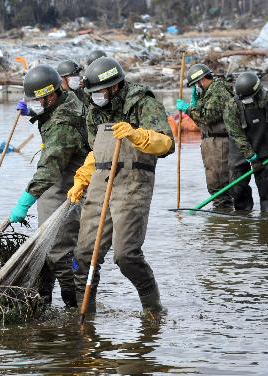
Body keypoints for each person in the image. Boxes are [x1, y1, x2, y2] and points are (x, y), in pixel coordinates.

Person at [68, 57, 174, 313]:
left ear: (114, 86)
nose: (95, 97)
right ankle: (86, 315)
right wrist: (82, 179)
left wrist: (138, 135)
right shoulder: (95, 111)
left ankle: (153, 310)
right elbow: (96, 152)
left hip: (133, 182)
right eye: (91, 93)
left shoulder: (142, 103)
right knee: (84, 255)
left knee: (125, 255)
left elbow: (167, 144)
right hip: (100, 182)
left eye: (99, 92)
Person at [8, 65, 91, 308]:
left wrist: (25, 201)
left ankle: (75, 304)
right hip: (59, 183)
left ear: (51, 95)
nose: (33, 104)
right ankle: (43, 300)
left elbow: (48, 169)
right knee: (46, 250)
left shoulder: (62, 123)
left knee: (58, 250)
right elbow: (50, 115)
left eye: (36, 100)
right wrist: (34, 113)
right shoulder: (63, 101)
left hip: (70, 187)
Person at [176, 63, 233, 209]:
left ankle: (223, 214)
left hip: (219, 141)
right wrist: (195, 103)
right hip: (210, 141)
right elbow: (200, 119)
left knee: (219, 182)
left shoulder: (218, 92)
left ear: (201, 81)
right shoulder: (208, 92)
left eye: (195, 85)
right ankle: (221, 212)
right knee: (213, 182)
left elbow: (207, 116)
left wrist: (188, 109)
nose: (196, 88)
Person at [226, 72, 268, 211]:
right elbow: (237, 135)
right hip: (240, 152)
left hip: (267, 149)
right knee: (237, 190)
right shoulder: (231, 107)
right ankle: (243, 220)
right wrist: (252, 157)